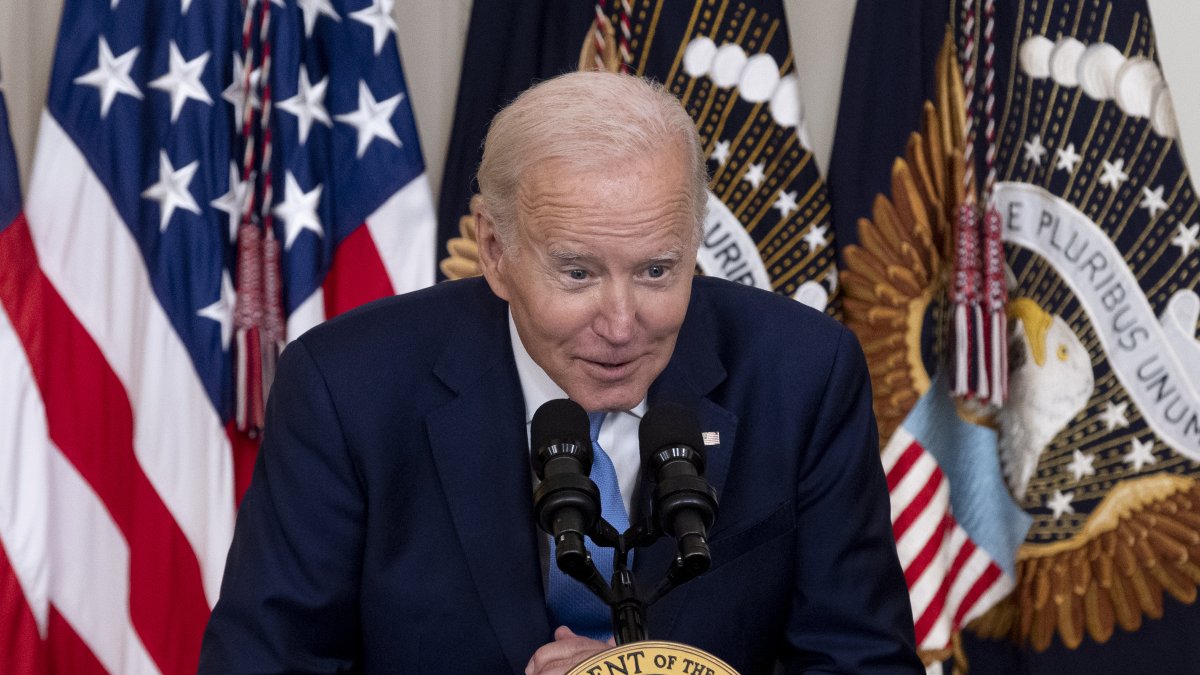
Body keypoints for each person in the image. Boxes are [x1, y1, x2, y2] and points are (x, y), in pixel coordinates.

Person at [199, 71, 922, 674]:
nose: (619, 321)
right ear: (494, 249)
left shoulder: (803, 374)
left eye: (656, 269)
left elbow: (864, 662)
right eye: (576, 271)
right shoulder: (346, 388)